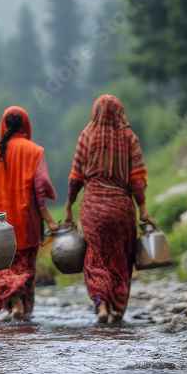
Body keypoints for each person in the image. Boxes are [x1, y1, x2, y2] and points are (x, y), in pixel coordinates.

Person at [63, 95, 155, 324]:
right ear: (120, 112)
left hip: (93, 208)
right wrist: (143, 209)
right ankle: (116, 311)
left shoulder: (86, 136)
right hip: (121, 209)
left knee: (94, 257)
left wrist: (68, 208)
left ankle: (100, 304)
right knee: (121, 259)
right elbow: (137, 180)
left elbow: (75, 178)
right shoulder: (129, 138)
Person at [0, 107, 58, 320]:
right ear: (26, 125)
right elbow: (41, 188)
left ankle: (13, 306)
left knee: (0, 269)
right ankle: (23, 309)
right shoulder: (35, 151)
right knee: (26, 269)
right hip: (26, 225)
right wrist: (50, 221)